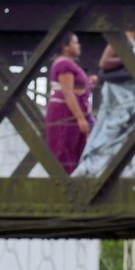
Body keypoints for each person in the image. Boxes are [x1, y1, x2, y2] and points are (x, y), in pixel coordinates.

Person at [74, 31, 135, 178]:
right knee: (115, 125)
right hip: (117, 92)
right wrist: (128, 59)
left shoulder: (132, 40)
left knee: (133, 125)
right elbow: (103, 62)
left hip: (129, 90)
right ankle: (99, 167)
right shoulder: (122, 39)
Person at [44, 33, 91, 174]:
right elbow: (68, 92)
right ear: (65, 47)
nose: (78, 46)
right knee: (65, 148)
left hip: (69, 110)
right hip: (65, 112)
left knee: (72, 149)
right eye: (75, 43)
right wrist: (80, 118)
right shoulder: (64, 64)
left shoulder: (66, 63)